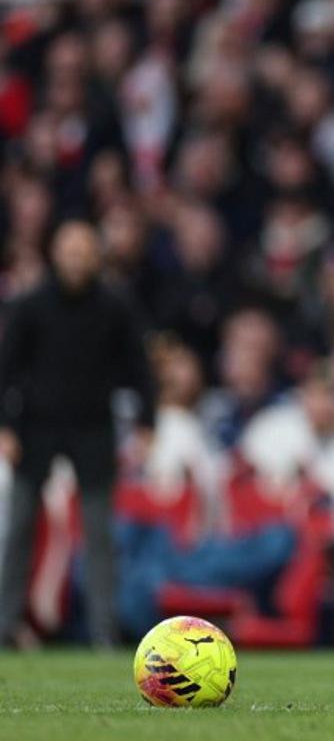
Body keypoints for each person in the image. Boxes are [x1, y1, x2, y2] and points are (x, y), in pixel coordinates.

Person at [0, 221, 156, 648]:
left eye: (84, 251)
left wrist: (147, 423)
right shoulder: (30, 306)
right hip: (36, 424)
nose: (76, 259)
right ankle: (5, 623)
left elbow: (139, 367)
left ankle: (103, 631)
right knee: (19, 526)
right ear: (54, 253)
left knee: (100, 532)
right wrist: (6, 427)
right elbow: (6, 368)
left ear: (96, 257)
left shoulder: (115, 306)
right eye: (69, 250)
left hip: (93, 426)